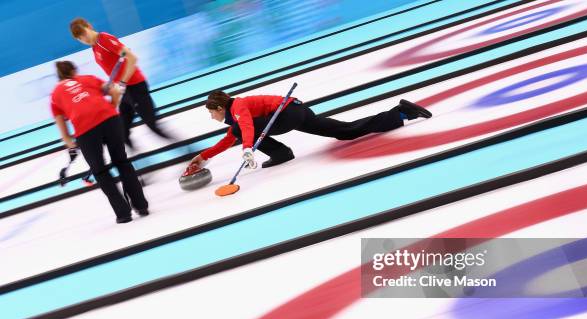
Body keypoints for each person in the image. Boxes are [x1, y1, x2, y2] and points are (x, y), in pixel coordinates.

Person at [188, 90, 432, 170]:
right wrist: (203, 157)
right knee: (344, 130)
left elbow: (247, 128)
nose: (212, 117)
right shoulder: (235, 117)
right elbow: (230, 138)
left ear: (220, 107)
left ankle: (282, 153)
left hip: (286, 114)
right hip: (297, 110)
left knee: (242, 132)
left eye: (212, 112)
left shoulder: (238, 106)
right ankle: (401, 113)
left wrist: (248, 149)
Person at [51, 61, 149, 224]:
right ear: (74, 70)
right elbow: (115, 90)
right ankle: (141, 207)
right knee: (122, 162)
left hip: (85, 130)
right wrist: (111, 107)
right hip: (110, 120)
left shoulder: (55, 95)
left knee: (101, 172)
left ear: (59, 76)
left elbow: (64, 132)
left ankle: (123, 214)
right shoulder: (89, 78)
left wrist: (71, 144)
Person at [69, 17, 174, 150]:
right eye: (79, 38)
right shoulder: (95, 48)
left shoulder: (104, 39)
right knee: (122, 132)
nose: (84, 39)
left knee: (153, 126)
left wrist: (123, 82)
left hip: (135, 87)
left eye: (83, 33)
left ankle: (188, 150)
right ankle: (140, 160)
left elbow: (132, 58)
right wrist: (113, 85)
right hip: (124, 92)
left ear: (89, 26)